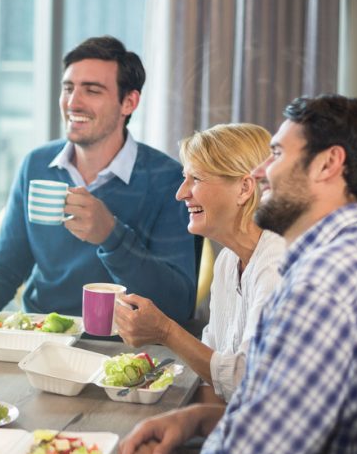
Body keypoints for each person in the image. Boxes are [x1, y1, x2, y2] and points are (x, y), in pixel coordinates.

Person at [116, 94, 357, 454]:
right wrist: (195, 421)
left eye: (279, 154)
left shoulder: (315, 290)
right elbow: (286, 413)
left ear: (328, 164)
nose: (262, 171)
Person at [0, 36, 195, 339]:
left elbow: (178, 304)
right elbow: (5, 266)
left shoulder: (168, 179)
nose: (73, 102)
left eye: (92, 90)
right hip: (40, 337)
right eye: (68, 88)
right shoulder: (37, 165)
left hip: (122, 348)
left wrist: (111, 236)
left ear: (129, 102)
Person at [114, 123, 285, 403]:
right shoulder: (228, 261)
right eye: (185, 178)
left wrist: (165, 331)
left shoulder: (277, 263)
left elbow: (245, 380)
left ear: (244, 188)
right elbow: (214, 370)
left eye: (196, 179)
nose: (181, 193)